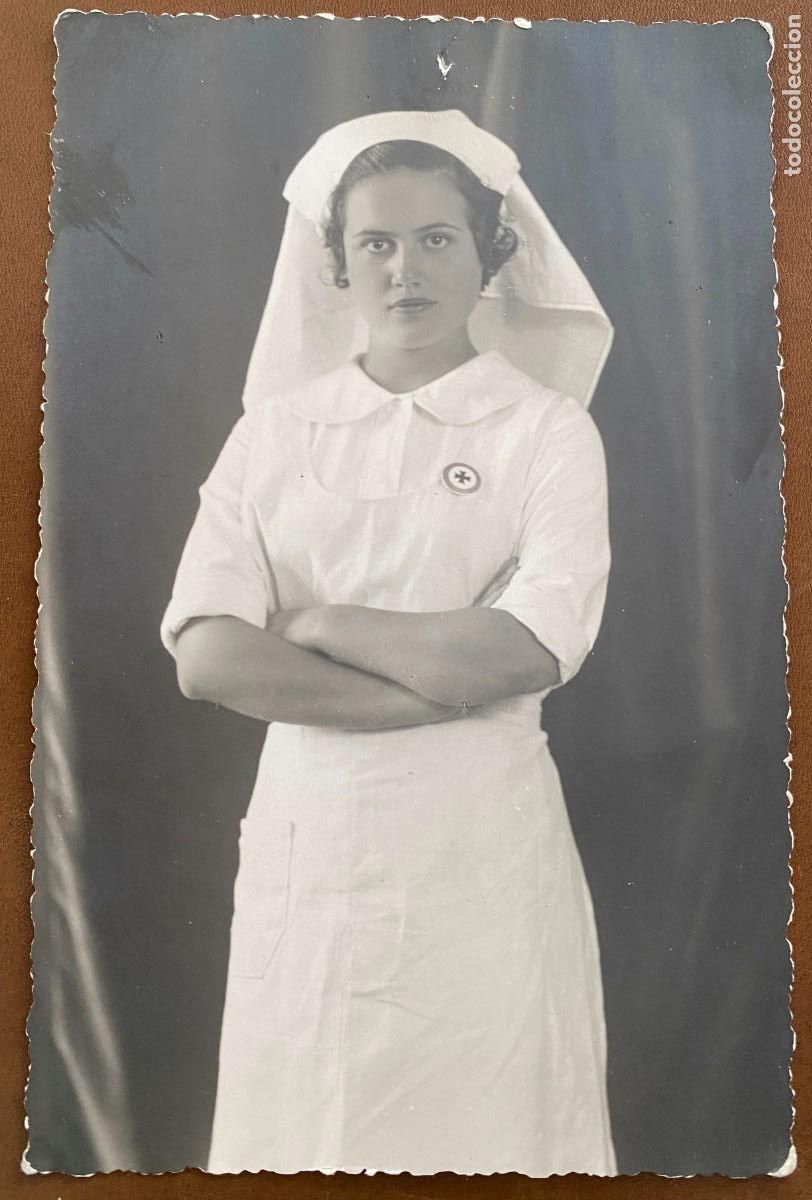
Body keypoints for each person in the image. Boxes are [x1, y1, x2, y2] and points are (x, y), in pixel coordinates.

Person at [160, 108, 616, 1176]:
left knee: (491, 1121)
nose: (404, 269)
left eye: (435, 239)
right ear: (337, 263)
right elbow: (208, 655)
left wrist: (318, 623)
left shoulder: (544, 431)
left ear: (488, 254)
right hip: (310, 848)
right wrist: (435, 679)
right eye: (374, 242)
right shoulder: (275, 431)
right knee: (313, 1121)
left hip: (480, 848)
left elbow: (525, 651)